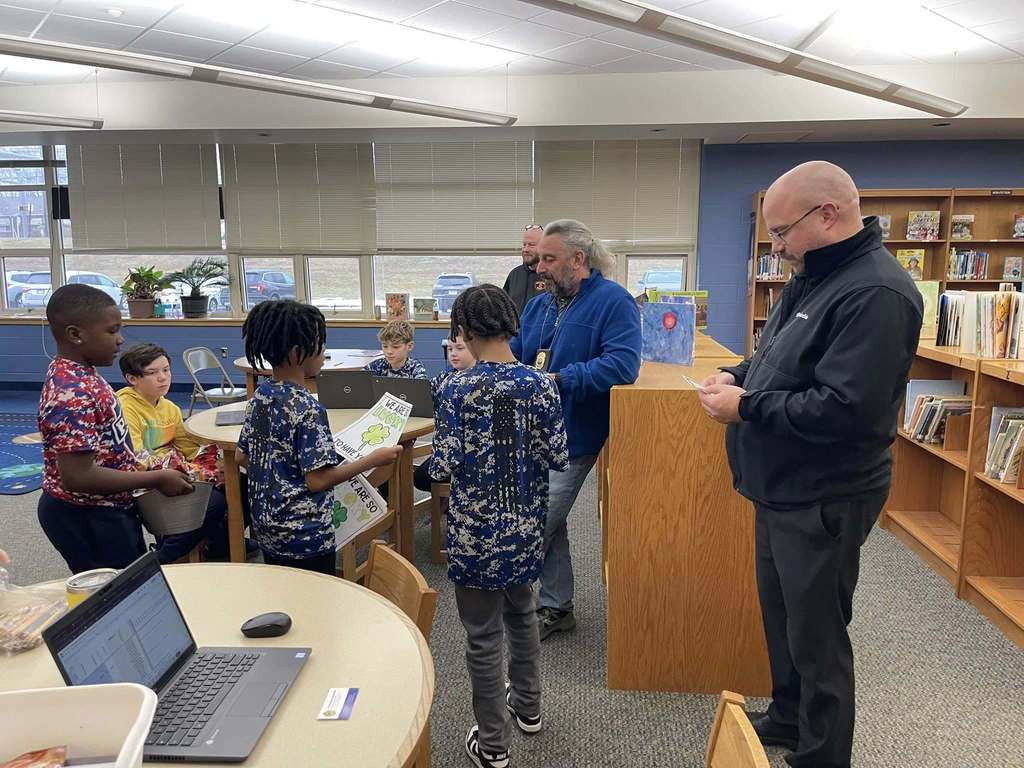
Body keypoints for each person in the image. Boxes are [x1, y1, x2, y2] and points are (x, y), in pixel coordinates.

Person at [697, 161, 923, 768]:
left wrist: (748, 407)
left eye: (781, 232)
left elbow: (848, 410)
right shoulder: (813, 272)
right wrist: (741, 375)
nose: (776, 247)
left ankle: (823, 754)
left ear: (828, 214)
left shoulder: (875, 292)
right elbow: (778, 358)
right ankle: (790, 715)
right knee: (782, 615)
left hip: (825, 493)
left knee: (818, 631)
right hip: (780, 486)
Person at [431, 285, 568, 768]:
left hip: (474, 538)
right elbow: (557, 456)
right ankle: (527, 709)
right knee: (524, 617)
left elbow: (442, 468)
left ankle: (493, 744)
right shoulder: (541, 384)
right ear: (512, 324)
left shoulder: (453, 388)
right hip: (526, 530)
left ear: (463, 331)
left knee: (482, 637)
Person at [512, 219, 641, 640]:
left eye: (550, 259)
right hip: (532, 429)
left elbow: (623, 365)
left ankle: (513, 599)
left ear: (578, 260)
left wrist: (561, 380)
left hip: (575, 434)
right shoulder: (540, 304)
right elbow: (518, 353)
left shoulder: (614, 302)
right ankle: (556, 605)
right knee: (554, 516)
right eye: (540, 258)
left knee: (538, 520)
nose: (540, 267)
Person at [236, 300, 401, 575]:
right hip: (306, 535)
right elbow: (318, 480)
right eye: (320, 345)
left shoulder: (260, 397)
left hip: (267, 528)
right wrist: (373, 459)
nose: (324, 354)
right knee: (316, 602)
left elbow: (243, 455)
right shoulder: (308, 408)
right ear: (298, 352)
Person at [37, 284, 193, 574]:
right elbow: (78, 476)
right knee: (117, 598)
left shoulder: (85, 375)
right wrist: (157, 477)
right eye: (112, 331)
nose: (120, 340)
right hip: (85, 515)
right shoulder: (72, 393)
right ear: (75, 334)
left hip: (105, 508)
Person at [116, 343, 240, 563]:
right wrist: (190, 470)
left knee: (237, 483)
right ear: (132, 379)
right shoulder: (125, 407)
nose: (163, 378)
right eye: (153, 373)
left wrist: (215, 467)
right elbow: (135, 459)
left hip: (173, 473)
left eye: (166, 370)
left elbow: (189, 448)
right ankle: (162, 558)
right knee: (214, 502)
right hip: (146, 482)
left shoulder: (169, 408)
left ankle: (220, 544)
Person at [413, 333, 477, 493]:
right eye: (450, 349)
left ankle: (449, 497)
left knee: (420, 479)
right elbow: (424, 394)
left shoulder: (476, 380)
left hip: (467, 455)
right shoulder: (446, 376)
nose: (453, 353)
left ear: (476, 349)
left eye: (460, 348)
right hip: (450, 450)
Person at [502, 224, 546, 315]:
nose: (526, 249)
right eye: (524, 244)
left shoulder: (552, 276)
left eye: (531, 245)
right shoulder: (514, 275)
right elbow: (503, 308)